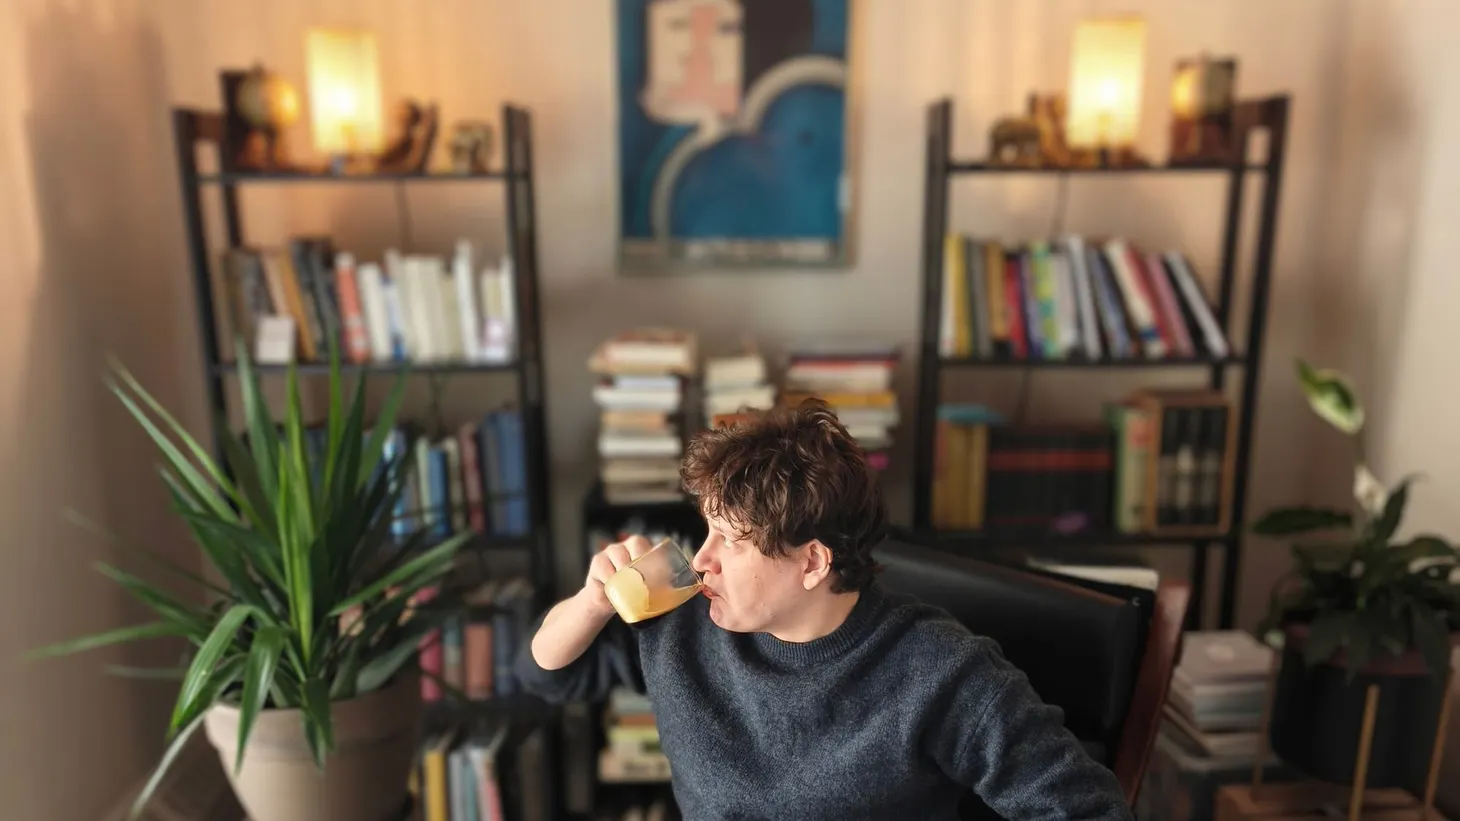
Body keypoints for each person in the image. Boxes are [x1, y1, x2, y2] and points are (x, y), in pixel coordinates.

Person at [517, 399, 1133, 821]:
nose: (701, 559)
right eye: (704, 530)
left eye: (731, 541)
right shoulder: (682, 618)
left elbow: (1085, 810)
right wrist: (591, 603)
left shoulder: (940, 671)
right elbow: (545, 673)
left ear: (813, 562)